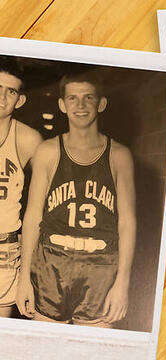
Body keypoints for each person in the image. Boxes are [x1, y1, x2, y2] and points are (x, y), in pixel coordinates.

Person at [16, 71, 136, 327]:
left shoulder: (119, 155)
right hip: (50, 268)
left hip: (101, 271)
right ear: (62, 104)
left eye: (88, 97)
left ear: (101, 103)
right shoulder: (47, 151)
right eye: (72, 98)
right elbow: (33, 216)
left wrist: (122, 283)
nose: (80, 105)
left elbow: (127, 222)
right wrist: (24, 277)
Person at [0, 58, 42, 317]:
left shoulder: (28, 139)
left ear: (20, 100)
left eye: (11, 91)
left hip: (4, 253)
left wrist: (27, 274)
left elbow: (41, 206)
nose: (2, 97)